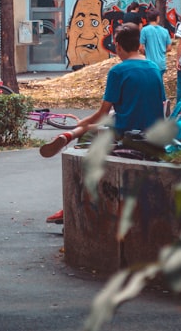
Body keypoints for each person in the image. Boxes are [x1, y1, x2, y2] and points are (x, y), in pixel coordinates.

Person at [39, 23, 165, 224]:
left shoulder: (118, 71)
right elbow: (161, 103)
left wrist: (83, 124)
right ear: (139, 44)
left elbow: (102, 112)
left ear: (117, 46)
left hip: (126, 134)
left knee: (88, 135)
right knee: (96, 127)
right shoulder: (154, 68)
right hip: (154, 133)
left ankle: (70, 137)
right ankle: (71, 135)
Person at [139, 9, 172, 75]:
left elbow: (140, 48)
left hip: (150, 63)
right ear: (157, 17)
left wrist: (146, 53)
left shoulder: (144, 30)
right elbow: (169, 48)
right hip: (161, 64)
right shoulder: (165, 31)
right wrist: (162, 51)